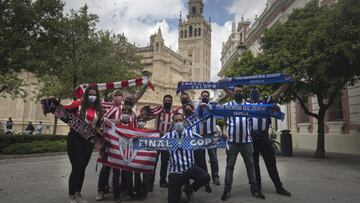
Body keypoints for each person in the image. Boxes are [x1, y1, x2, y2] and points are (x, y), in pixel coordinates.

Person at [221, 85, 265, 201]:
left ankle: (255, 189)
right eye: (236, 91)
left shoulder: (249, 106)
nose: (238, 93)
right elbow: (215, 108)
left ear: (243, 93)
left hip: (247, 142)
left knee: (250, 166)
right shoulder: (228, 106)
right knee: (230, 166)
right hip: (232, 143)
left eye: (240, 91)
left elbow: (264, 110)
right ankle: (227, 190)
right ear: (233, 93)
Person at [248, 84, 291, 196]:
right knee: (254, 164)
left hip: (264, 136)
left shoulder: (265, 101)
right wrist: (224, 87)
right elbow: (233, 97)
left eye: (256, 90)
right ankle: (257, 187)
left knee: (271, 162)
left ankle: (278, 187)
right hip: (251, 137)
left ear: (259, 92)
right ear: (249, 93)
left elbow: (277, 93)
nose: (254, 92)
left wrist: (287, 83)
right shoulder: (245, 104)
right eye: (252, 90)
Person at [63, 85, 104, 203]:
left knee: (82, 168)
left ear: (97, 96)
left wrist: (98, 142)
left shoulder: (99, 110)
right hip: (75, 138)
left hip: (88, 141)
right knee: (77, 167)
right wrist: (53, 106)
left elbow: (98, 127)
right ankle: (71, 195)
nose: (92, 96)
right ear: (86, 95)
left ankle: (78, 193)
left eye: (94, 95)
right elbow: (64, 111)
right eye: (90, 94)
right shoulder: (78, 105)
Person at [165, 112, 211, 203]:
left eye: (180, 120)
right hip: (175, 171)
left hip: (190, 168)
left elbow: (207, 141)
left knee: (206, 177)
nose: (178, 122)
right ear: (173, 122)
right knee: (172, 200)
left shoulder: (192, 135)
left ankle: (190, 189)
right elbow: (153, 144)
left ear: (184, 122)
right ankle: (178, 189)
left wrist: (220, 138)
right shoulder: (167, 137)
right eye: (176, 121)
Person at [96, 90, 123, 202]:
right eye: (115, 95)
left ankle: (117, 193)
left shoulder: (125, 109)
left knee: (117, 169)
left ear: (122, 97)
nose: (117, 97)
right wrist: (112, 121)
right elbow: (100, 119)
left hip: (118, 143)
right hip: (106, 141)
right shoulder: (106, 106)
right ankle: (101, 190)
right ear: (112, 97)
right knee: (105, 167)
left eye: (119, 95)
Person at [196, 90, 221, 188]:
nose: (205, 97)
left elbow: (221, 98)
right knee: (201, 159)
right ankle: (204, 178)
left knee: (213, 158)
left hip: (212, 135)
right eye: (203, 96)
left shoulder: (213, 105)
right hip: (200, 135)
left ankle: (215, 176)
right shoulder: (197, 107)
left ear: (209, 97)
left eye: (207, 96)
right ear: (201, 97)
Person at [150, 95, 174, 189]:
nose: (167, 102)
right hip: (158, 138)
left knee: (165, 162)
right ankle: (150, 182)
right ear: (163, 101)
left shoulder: (173, 113)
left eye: (169, 100)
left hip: (167, 140)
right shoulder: (159, 112)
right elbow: (155, 124)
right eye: (166, 100)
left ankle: (163, 181)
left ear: (171, 102)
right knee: (154, 161)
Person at [134, 116, 151, 200]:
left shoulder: (149, 132)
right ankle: (137, 191)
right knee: (137, 176)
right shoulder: (133, 131)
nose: (141, 122)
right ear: (137, 122)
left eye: (143, 121)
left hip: (146, 158)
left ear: (145, 122)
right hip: (136, 158)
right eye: (139, 121)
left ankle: (144, 192)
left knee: (146, 177)